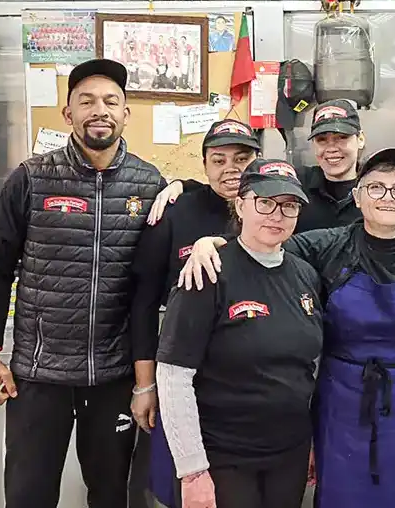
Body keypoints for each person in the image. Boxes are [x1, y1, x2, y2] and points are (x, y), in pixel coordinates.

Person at [178, 147, 395, 508]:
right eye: (376, 187)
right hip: (342, 413)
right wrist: (212, 244)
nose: (387, 197)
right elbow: (263, 246)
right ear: (358, 196)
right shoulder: (326, 246)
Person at [0, 58, 167, 508]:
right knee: (28, 495)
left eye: (110, 101)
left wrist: (145, 381)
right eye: (86, 101)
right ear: (68, 114)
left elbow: (151, 285)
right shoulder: (30, 178)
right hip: (38, 375)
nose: (99, 110)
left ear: (125, 114)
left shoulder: (149, 182)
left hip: (113, 376)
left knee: (109, 495)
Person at [148, 99, 395, 242]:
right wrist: (184, 185)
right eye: (323, 140)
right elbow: (239, 191)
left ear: (359, 140)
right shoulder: (295, 185)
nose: (332, 148)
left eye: (341, 138)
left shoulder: (388, 194)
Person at [157, 159, 322, 508]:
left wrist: (309, 443)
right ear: (241, 203)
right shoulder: (209, 271)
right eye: (265, 202)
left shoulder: (305, 276)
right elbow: (173, 375)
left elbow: (306, 368)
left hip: (288, 453)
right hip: (223, 456)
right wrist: (192, 470)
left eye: (288, 206)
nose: (276, 215)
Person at [128, 119, 261, 508]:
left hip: (248, 386)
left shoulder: (271, 210)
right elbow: (143, 301)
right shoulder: (176, 209)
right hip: (182, 379)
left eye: (242, 158)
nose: (230, 169)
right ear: (203, 165)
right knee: (185, 488)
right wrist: (144, 384)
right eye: (218, 159)